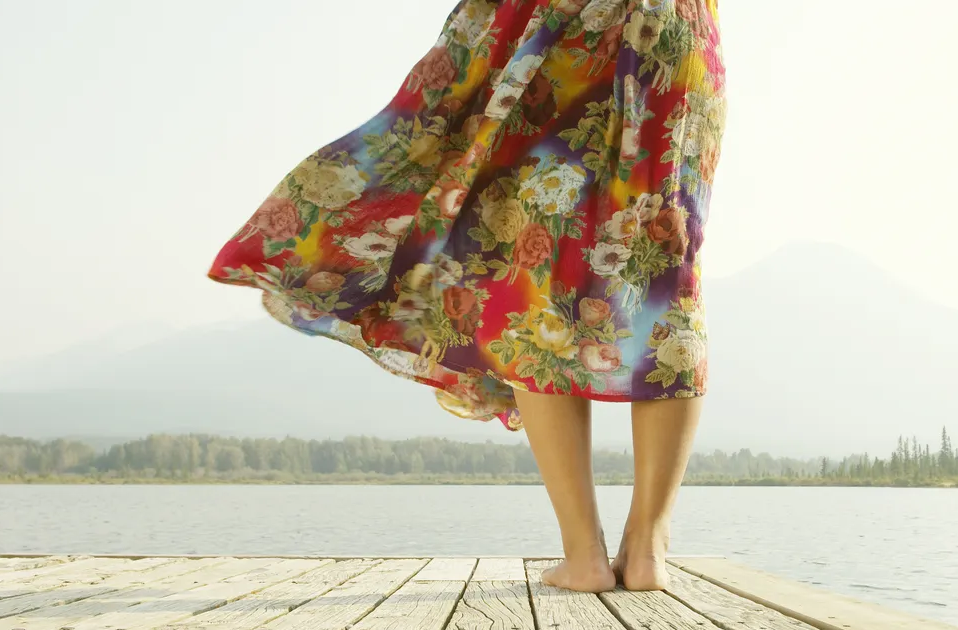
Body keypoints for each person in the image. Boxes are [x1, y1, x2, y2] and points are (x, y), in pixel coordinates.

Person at [207, 0, 726, 592]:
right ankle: (648, 550)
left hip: (561, 22)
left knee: (527, 269)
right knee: (663, 264)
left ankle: (584, 554)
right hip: (673, 27)